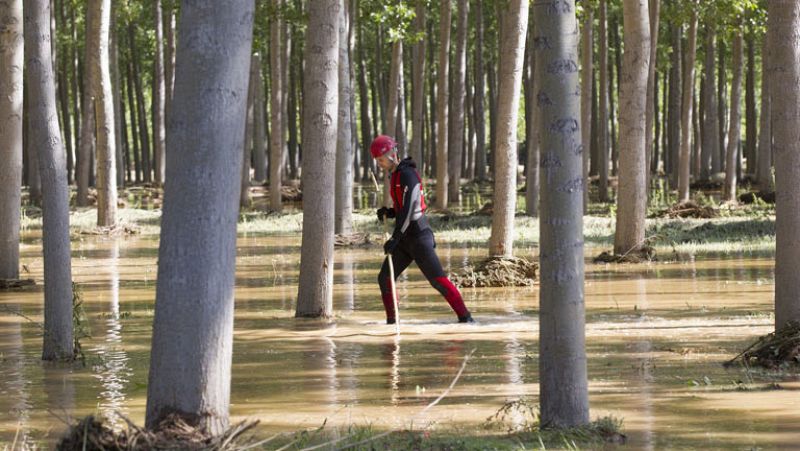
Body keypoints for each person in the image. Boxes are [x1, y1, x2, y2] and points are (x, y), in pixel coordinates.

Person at [370, 134, 474, 324]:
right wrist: (390, 212)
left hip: (418, 237)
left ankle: (466, 318)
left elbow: (411, 209)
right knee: (384, 277)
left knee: (437, 281)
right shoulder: (395, 175)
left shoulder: (407, 174)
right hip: (405, 238)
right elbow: (402, 208)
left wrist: (395, 237)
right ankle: (392, 322)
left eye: (381, 160)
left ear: (392, 154)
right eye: (377, 161)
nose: (380, 164)